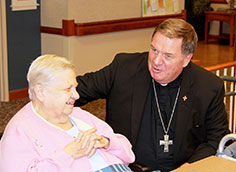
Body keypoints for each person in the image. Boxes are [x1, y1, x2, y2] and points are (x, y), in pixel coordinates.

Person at [75, 19, 229, 171]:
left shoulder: (208, 86)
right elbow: (78, 89)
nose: (156, 61)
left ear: (186, 59)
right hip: (129, 167)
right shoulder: (123, 68)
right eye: (154, 50)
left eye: (168, 56)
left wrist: (190, 167)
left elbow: (216, 138)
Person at [0, 55, 135, 172]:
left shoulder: (79, 115)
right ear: (41, 92)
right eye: (67, 89)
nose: (76, 95)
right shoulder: (20, 131)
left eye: (75, 88)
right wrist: (68, 155)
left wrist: (108, 143)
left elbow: (129, 154)